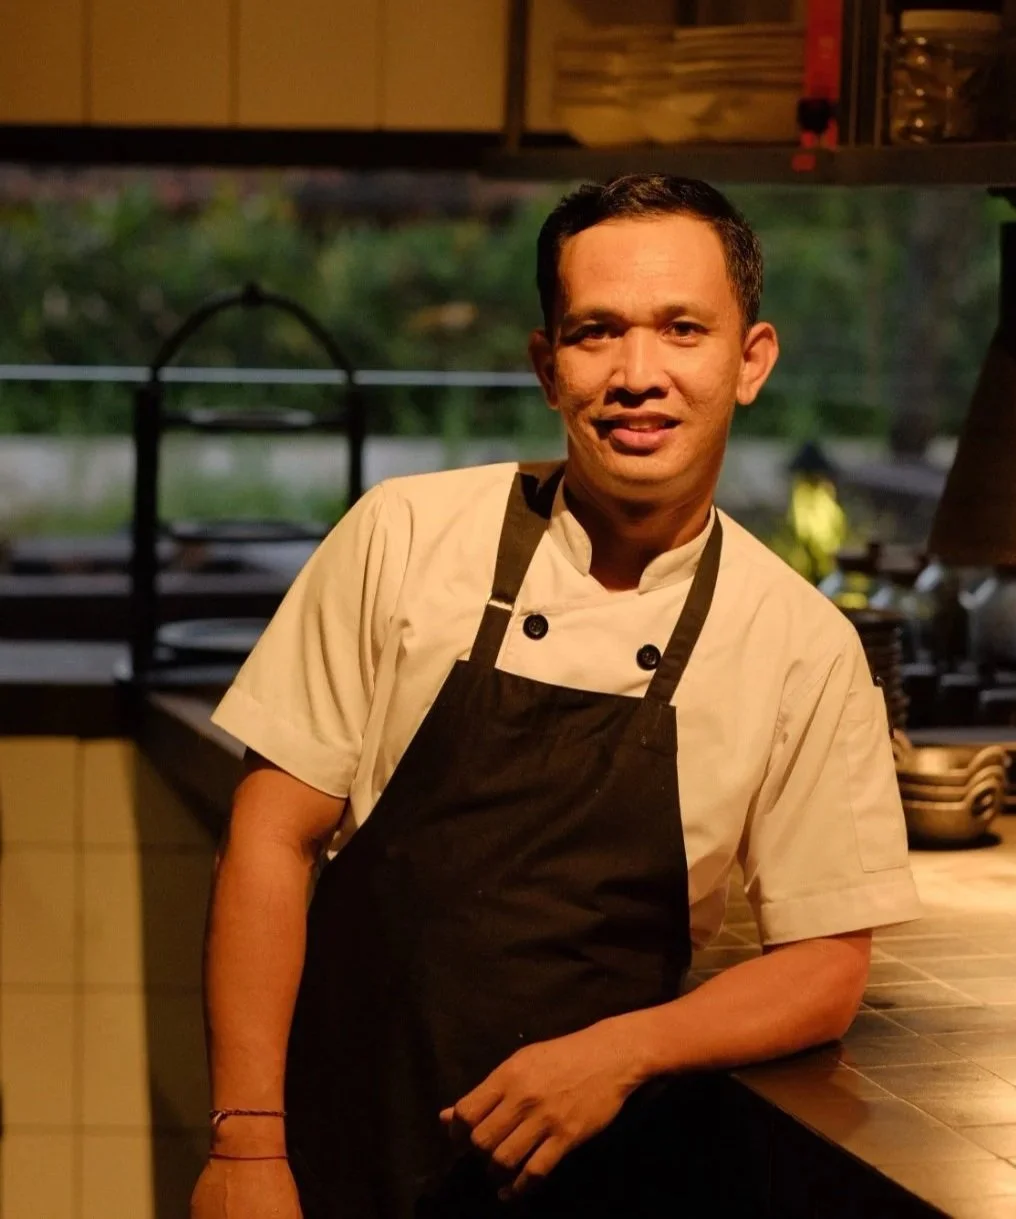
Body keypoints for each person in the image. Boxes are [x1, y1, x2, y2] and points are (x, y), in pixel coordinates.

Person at [191, 174, 921, 1219]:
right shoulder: (403, 537)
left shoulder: (799, 644)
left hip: (597, 1181)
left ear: (749, 359)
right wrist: (249, 1148)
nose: (638, 374)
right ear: (547, 363)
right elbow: (268, 837)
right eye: (596, 332)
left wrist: (622, 1051)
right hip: (330, 1160)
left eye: (682, 329)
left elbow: (823, 966)